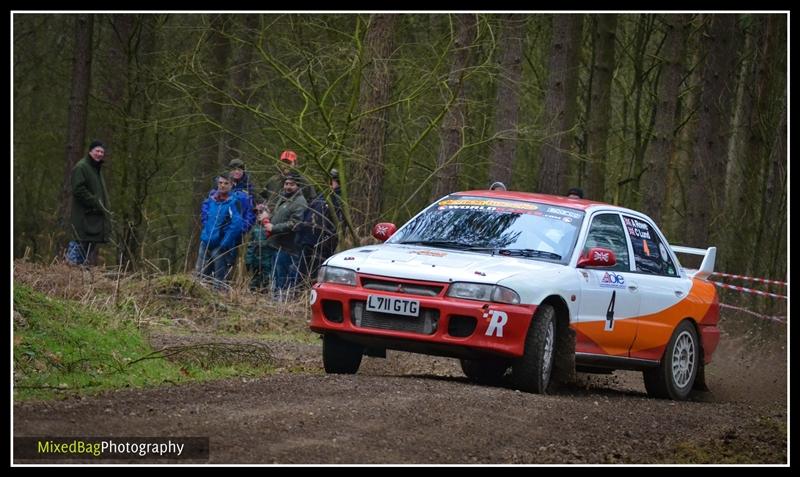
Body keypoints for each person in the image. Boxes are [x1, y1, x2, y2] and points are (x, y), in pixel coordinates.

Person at [295, 168, 344, 284]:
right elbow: (308, 212)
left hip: (321, 245)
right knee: (301, 273)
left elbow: (336, 225)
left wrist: (325, 241)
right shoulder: (322, 196)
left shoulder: (338, 200)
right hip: (307, 241)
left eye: (332, 180)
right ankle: (298, 294)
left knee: (314, 274)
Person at [265, 172, 308, 301]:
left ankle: (281, 303)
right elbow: (279, 215)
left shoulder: (300, 202)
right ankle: (274, 301)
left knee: (282, 278)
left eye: (291, 184)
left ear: (298, 186)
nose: (288, 187)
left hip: (287, 247)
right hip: (276, 244)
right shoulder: (284, 197)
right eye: (286, 183)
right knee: (274, 276)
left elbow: (295, 224)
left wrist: (274, 228)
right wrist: (268, 218)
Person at [68, 140, 111, 266]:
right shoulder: (82, 167)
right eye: (97, 151)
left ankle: (76, 277)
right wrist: (95, 202)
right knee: (78, 243)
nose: (99, 154)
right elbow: (78, 190)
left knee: (86, 249)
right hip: (83, 217)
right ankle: (66, 274)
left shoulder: (96, 169)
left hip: (94, 218)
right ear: (90, 151)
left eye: (102, 152)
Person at [196, 173, 244, 287]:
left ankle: (219, 301)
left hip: (220, 245)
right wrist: (204, 235)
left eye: (226, 183)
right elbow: (206, 219)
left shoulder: (234, 202)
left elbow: (236, 225)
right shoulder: (211, 201)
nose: (222, 186)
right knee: (200, 275)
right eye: (220, 183)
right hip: (205, 242)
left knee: (219, 280)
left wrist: (225, 243)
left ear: (232, 185)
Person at [245, 199, 273, 292]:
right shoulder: (255, 228)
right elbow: (250, 245)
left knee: (266, 280)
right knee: (254, 280)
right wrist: (248, 260)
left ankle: (264, 294)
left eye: (261, 212)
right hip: (256, 260)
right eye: (256, 213)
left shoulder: (271, 226)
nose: (258, 214)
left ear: (267, 213)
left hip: (267, 259)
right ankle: (252, 295)